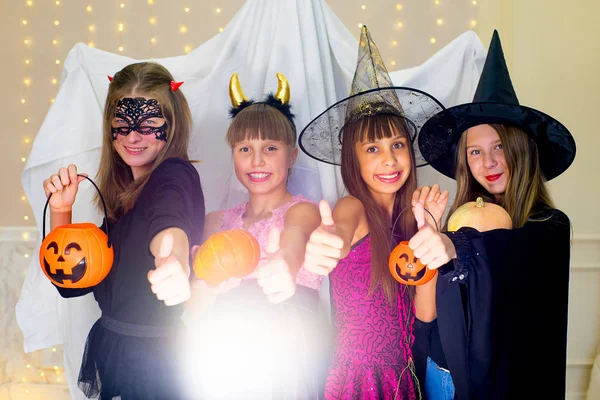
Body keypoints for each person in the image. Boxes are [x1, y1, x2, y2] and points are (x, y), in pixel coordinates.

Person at [412, 30, 576, 400]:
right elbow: (427, 316)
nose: (487, 163)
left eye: (499, 146)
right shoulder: (456, 221)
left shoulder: (548, 227)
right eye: (474, 152)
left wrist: (457, 247)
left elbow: (509, 250)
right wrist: (432, 240)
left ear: (521, 149)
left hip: (509, 386)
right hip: (443, 377)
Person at [298, 25, 448, 400]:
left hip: (406, 376)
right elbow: (339, 233)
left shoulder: (410, 218)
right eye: (372, 149)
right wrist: (326, 242)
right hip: (359, 380)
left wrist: (430, 231)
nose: (389, 159)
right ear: (354, 159)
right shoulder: (353, 207)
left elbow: (425, 315)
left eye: (397, 144)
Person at [42, 61, 205, 399]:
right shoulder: (121, 196)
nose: (133, 136)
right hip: (116, 352)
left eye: (147, 125)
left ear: (171, 126)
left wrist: (173, 259)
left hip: (158, 365)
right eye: (122, 123)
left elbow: (169, 220)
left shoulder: (174, 175)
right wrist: (60, 211)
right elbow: (72, 283)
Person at [188, 72, 325, 399]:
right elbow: (193, 303)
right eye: (245, 148)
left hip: (288, 360)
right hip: (225, 358)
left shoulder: (302, 211)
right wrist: (202, 288)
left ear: (291, 156)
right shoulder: (216, 221)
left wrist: (285, 263)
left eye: (270, 147)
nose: (257, 160)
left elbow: (293, 240)